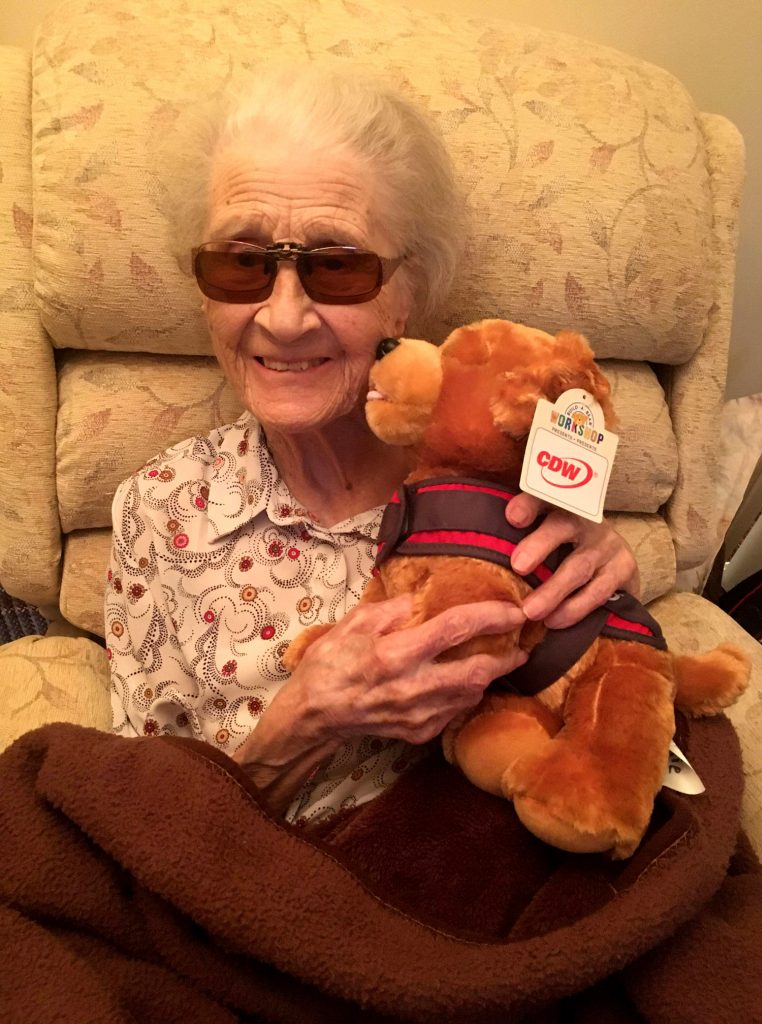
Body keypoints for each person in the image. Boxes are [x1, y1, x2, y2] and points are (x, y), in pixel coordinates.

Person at [106, 69, 638, 826]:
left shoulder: (504, 468)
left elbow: (601, 696)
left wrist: (603, 580)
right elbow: (146, 830)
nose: (283, 319)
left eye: (338, 265)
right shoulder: (158, 510)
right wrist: (304, 723)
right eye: (242, 262)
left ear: (407, 294)